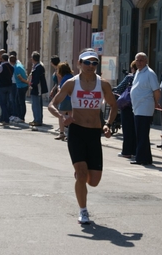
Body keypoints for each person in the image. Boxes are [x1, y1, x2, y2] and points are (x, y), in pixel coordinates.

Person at [48, 48, 118, 224]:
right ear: (79, 64)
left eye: (94, 63)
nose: (90, 66)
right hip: (77, 131)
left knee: (93, 181)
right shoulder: (71, 83)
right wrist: (62, 116)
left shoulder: (103, 85)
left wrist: (108, 125)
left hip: (94, 133)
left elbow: (114, 106)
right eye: (87, 62)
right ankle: (83, 210)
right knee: (81, 174)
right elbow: (52, 104)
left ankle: (82, 174)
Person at [129, 52, 161, 165]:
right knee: (140, 134)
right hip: (137, 107)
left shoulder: (150, 73)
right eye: (137, 60)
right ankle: (144, 157)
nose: (139, 63)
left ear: (146, 61)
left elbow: (156, 91)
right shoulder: (138, 72)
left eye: (141, 60)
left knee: (142, 134)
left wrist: (156, 103)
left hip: (145, 107)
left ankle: (142, 158)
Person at [113, 60, 137, 158]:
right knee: (135, 130)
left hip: (127, 106)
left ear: (132, 68)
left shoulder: (129, 77)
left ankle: (126, 151)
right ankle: (135, 151)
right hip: (137, 106)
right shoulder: (142, 77)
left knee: (127, 129)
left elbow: (119, 89)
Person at [54, 62, 73, 140]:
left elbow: (61, 90)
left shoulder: (64, 78)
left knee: (61, 115)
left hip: (65, 99)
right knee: (71, 116)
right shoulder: (72, 77)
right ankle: (70, 134)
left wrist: (58, 86)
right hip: (72, 99)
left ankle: (62, 133)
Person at [29, 51, 48, 126]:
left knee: (36, 105)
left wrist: (31, 85)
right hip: (36, 88)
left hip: (37, 89)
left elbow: (36, 80)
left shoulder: (38, 67)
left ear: (33, 58)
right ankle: (36, 119)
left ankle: (37, 120)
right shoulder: (37, 66)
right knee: (36, 104)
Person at [9, 54, 28, 122]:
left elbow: (21, 78)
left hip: (21, 86)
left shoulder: (16, 68)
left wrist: (28, 83)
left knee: (21, 102)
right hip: (19, 86)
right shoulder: (19, 65)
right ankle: (19, 116)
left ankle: (21, 117)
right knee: (17, 101)